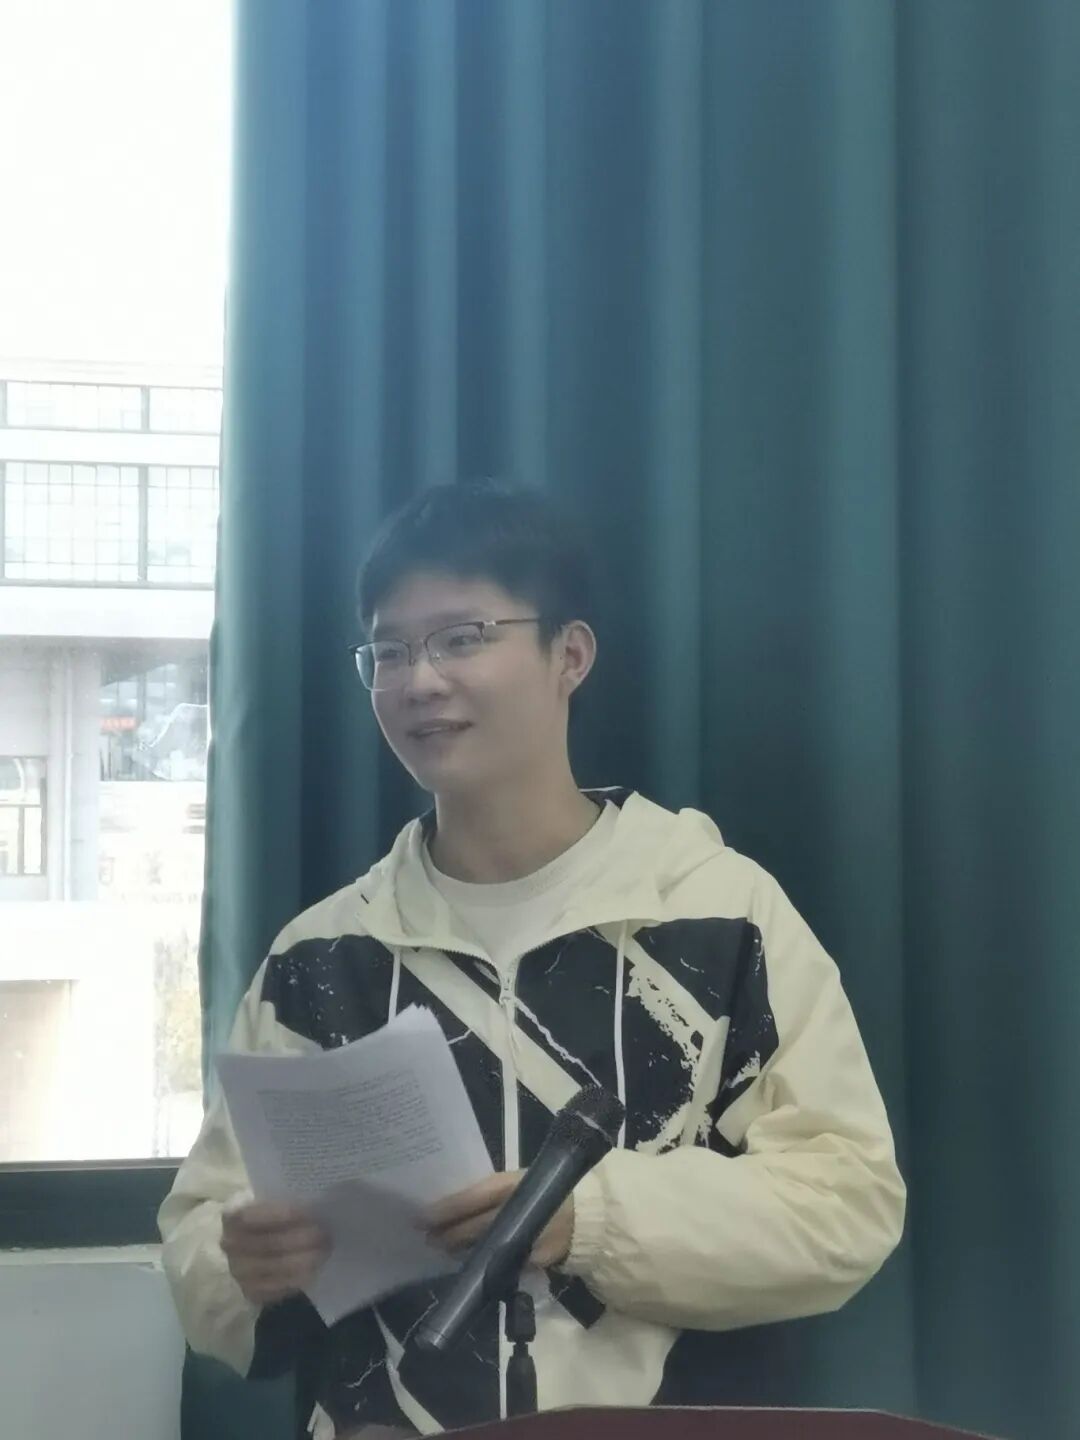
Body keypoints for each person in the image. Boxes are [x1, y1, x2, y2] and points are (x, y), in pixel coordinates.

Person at [159, 479, 906, 1439]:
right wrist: (243, 1268)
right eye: (390, 651)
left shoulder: (721, 914)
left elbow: (847, 1204)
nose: (420, 681)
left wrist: (587, 1222)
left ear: (571, 655)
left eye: (462, 637)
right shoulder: (322, 956)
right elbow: (202, 1231)